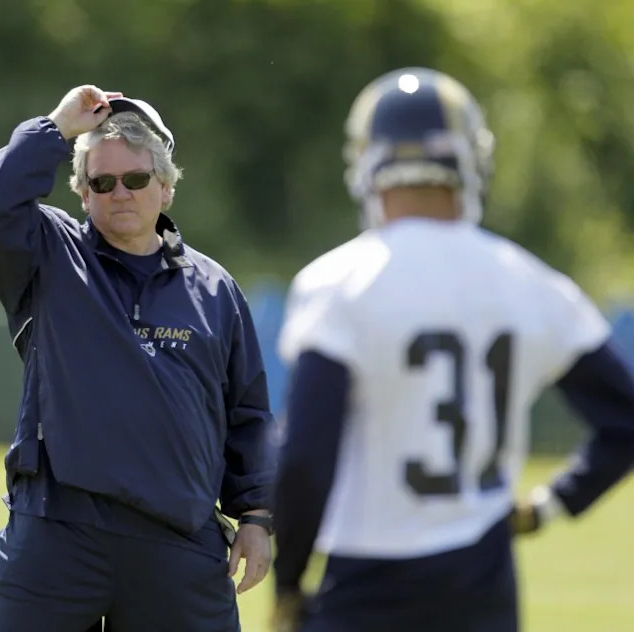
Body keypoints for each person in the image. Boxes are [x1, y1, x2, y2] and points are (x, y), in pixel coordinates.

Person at [271, 67, 634, 632]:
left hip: (369, 583)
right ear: (471, 162)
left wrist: (290, 582)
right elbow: (626, 419)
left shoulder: (339, 283)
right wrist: (549, 505)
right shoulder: (529, 281)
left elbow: (305, 459)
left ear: (367, 164)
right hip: (483, 584)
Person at [0, 85, 275, 631]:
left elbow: (246, 412)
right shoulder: (49, 255)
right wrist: (57, 127)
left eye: (136, 179)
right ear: (83, 194)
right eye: (102, 183)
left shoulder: (214, 288)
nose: (120, 193)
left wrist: (256, 514)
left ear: (166, 187)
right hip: (57, 534)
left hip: (178, 540)